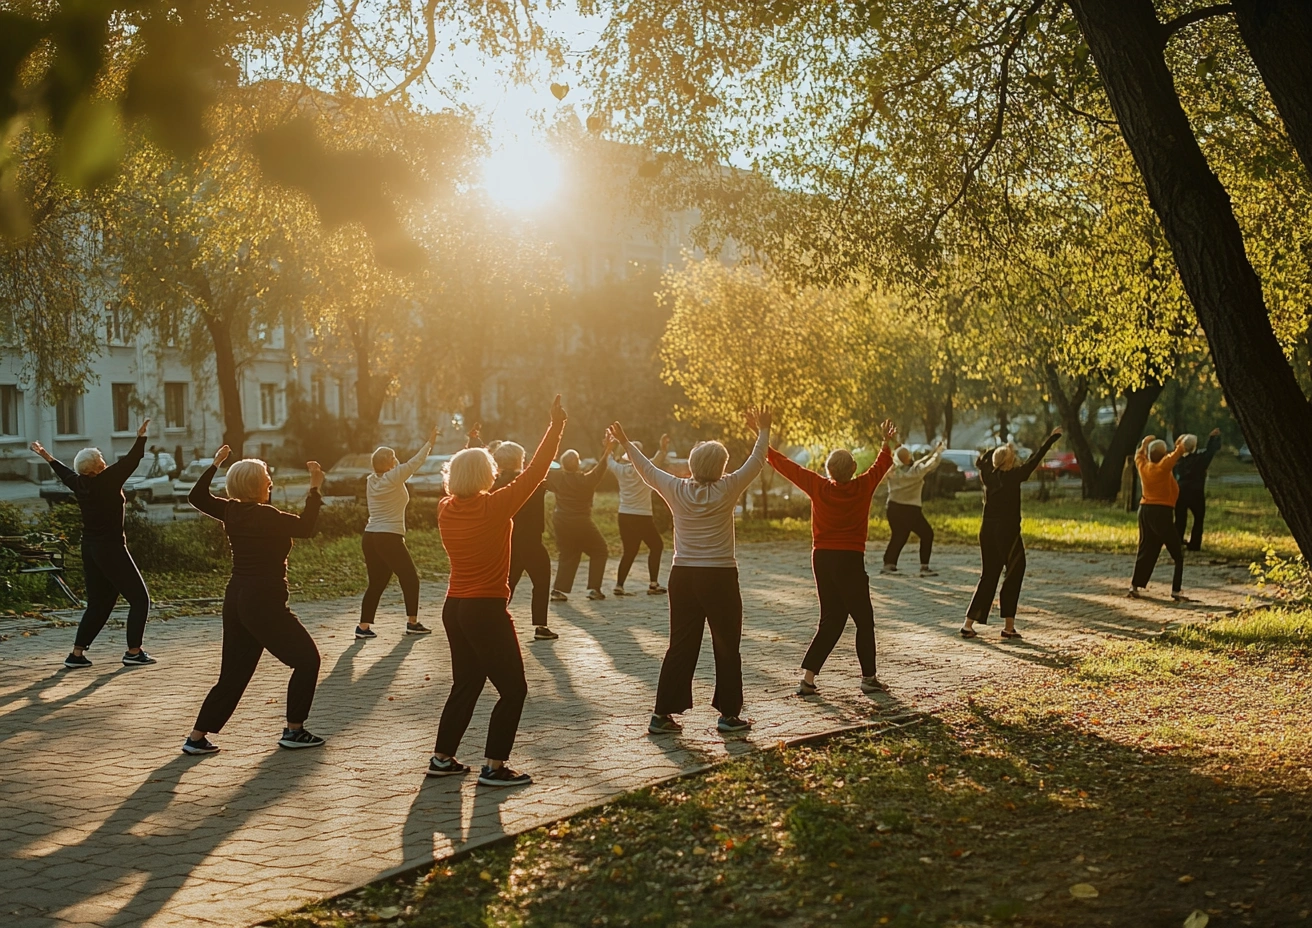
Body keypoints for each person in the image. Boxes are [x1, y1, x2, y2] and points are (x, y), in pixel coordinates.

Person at [607, 407, 771, 736]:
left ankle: (661, 715)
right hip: (719, 577)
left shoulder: (676, 488)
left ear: (693, 465)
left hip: (682, 577)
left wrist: (625, 442)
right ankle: (728, 715)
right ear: (721, 467)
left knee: (680, 645)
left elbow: (647, 469)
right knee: (727, 645)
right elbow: (757, 460)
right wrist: (763, 430)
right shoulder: (728, 488)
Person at [429, 395, 567, 786]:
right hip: (485, 609)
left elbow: (465, 474)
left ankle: (442, 758)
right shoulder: (496, 506)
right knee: (514, 690)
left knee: (467, 683)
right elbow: (537, 470)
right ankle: (495, 767)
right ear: (487, 475)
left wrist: (471, 445)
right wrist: (555, 427)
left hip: (454, 607)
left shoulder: (445, 507)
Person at [182, 447, 327, 755]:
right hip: (264, 600)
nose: (270, 482)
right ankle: (294, 730)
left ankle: (196, 737)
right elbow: (306, 528)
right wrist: (314, 488)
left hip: (236, 597)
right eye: (266, 478)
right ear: (256, 486)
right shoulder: (267, 516)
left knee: (232, 674)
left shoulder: (230, 510)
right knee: (307, 660)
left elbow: (196, 497)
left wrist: (214, 465)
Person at [766, 421, 897, 697]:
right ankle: (868, 678)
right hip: (849, 559)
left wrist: (762, 442)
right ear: (853, 470)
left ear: (828, 470)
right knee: (864, 619)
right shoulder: (862, 487)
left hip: (822, 558)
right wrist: (886, 441)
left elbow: (788, 467)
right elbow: (881, 465)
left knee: (832, 619)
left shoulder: (818, 486)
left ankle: (808, 679)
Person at [32, 420, 156, 669]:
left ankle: (76, 654)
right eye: (102, 461)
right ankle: (134, 651)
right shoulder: (107, 480)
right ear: (98, 468)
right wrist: (141, 437)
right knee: (140, 599)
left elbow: (63, 471)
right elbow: (132, 460)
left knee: (100, 603)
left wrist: (46, 455)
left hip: (89, 548)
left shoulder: (78, 483)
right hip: (111, 548)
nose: (106, 463)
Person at [962, 429, 1063, 639]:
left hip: (987, 532)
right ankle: (1008, 626)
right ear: (1008, 462)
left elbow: (986, 458)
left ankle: (968, 624)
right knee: (1015, 571)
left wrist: (1001, 450)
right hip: (1006, 533)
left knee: (988, 575)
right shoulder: (1014, 476)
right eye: (1012, 456)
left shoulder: (987, 475)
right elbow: (1035, 459)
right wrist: (1051, 438)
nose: (1015, 458)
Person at [355, 425, 439, 640]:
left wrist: (391, 460)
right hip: (388, 536)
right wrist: (430, 442)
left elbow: (400, 466)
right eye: (394, 458)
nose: (397, 460)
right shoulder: (394, 478)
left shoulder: (371, 480)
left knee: (377, 582)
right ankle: (412, 622)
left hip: (370, 536)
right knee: (411, 578)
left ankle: (363, 627)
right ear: (389, 463)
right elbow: (415, 462)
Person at [492, 440, 559, 641]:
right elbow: (551, 479)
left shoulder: (494, 484)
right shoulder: (532, 482)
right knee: (541, 581)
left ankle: (493, 618)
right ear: (519, 459)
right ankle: (540, 625)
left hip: (508, 541)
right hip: (531, 541)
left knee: (508, 583)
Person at [546, 440, 613, 601]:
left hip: (560, 519)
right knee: (600, 550)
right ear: (578, 463)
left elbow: (542, 470)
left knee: (568, 553)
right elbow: (601, 467)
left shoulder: (557, 478)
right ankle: (594, 589)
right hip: (581, 521)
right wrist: (608, 449)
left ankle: (558, 591)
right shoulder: (586, 480)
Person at [1129, 434, 1191, 601]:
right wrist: (1181, 444)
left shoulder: (1143, 466)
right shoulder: (1163, 467)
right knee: (1177, 554)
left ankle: (1134, 586)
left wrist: (1143, 444)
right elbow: (1177, 453)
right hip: (1161, 512)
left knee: (1146, 548)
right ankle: (1176, 591)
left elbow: (1138, 455)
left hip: (1144, 511)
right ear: (1163, 455)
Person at [610, 434, 670, 596]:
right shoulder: (645, 469)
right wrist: (662, 447)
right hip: (642, 515)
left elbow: (609, 461)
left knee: (629, 551)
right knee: (656, 546)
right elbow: (658, 460)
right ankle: (653, 583)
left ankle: (619, 585)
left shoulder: (619, 469)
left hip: (624, 514)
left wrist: (610, 447)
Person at [882, 439, 945, 576]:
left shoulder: (892, 472)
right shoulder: (916, 472)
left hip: (892, 507)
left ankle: (888, 563)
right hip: (910, 509)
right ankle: (924, 566)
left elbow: (890, 463)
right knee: (927, 534)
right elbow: (930, 465)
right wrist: (938, 453)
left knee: (898, 535)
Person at [1174, 428, 1222, 551]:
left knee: (1180, 517)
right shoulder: (1201, 459)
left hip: (1181, 490)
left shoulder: (1178, 460)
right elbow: (1210, 451)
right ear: (1195, 446)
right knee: (1198, 518)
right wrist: (1212, 438)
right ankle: (1194, 544)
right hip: (1196, 491)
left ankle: (1177, 540)